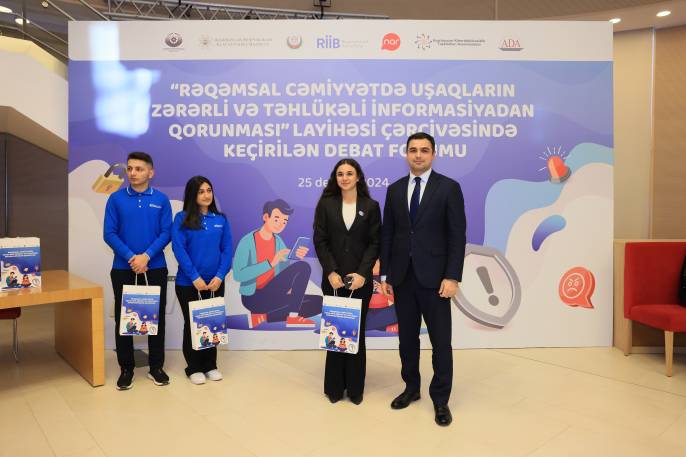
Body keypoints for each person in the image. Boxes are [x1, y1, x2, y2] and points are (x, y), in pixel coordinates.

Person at [380, 132, 466, 427]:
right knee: (407, 339)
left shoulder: (449, 188)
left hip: (436, 280)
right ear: (406, 154)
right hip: (403, 278)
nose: (418, 155)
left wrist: (452, 276)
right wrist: (385, 274)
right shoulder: (394, 190)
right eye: (413, 150)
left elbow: (457, 236)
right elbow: (388, 234)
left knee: (441, 342)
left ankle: (440, 399)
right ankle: (411, 388)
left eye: (424, 150)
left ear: (433, 154)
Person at [313, 158, 381, 405]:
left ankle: (355, 388)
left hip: (360, 281)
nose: (344, 177)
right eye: (340, 173)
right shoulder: (326, 204)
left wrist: (363, 274)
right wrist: (331, 271)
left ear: (358, 177)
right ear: (336, 178)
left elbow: (375, 242)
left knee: (356, 333)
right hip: (334, 280)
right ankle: (334, 388)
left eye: (349, 173)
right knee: (335, 331)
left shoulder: (371, 206)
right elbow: (320, 240)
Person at [104, 151, 172, 390]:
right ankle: (126, 369)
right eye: (130, 168)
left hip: (155, 268)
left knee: (155, 318)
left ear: (150, 172)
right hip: (123, 268)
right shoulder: (116, 199)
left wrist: (146, 256)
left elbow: (166, 232)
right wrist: (132, 257)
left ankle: (156, 367)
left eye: (139, 169)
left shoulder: (161, 199)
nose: (132, 173)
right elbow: (109, 233)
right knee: (125, 319)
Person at [172, 176, 233, 385]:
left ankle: (210, 365)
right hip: (188, 283)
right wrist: (194, 277)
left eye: (209, 190)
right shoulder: (182, 218)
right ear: (192, 195)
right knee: (193, 324)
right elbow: (179, 249)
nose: (206, 195)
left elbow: (227, 250)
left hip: (215, 282)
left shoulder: (221, 219)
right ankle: (194, 367)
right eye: (201, 191)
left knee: (211, 323)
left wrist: (219, 276)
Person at [233, 199, 321, 328]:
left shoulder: (278, 241)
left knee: (318, 302)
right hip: (253, 298)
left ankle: (262, 317)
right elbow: (238, 275)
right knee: (303, 267)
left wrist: (294, 257)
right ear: (265, 217)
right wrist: (270, 263)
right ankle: (293, 317)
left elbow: (284, 273)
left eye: (284, 221)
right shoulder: (247, 241)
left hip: (274, 294)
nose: (280, 224)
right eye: (276, 219)